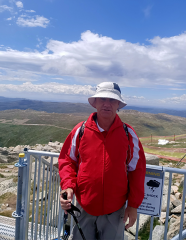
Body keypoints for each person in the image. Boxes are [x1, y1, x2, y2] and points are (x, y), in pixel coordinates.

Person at [58, 82, 146, 240]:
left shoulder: (128, 134)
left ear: (118, 104)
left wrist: (133, 205)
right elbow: (67, 161)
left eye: (112, 100)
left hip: (115, 210)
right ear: (95, 103)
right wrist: (68, 187)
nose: (107, 104)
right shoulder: (80, 131)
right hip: (84, 207)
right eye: (103, 99)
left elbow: (137, 170)